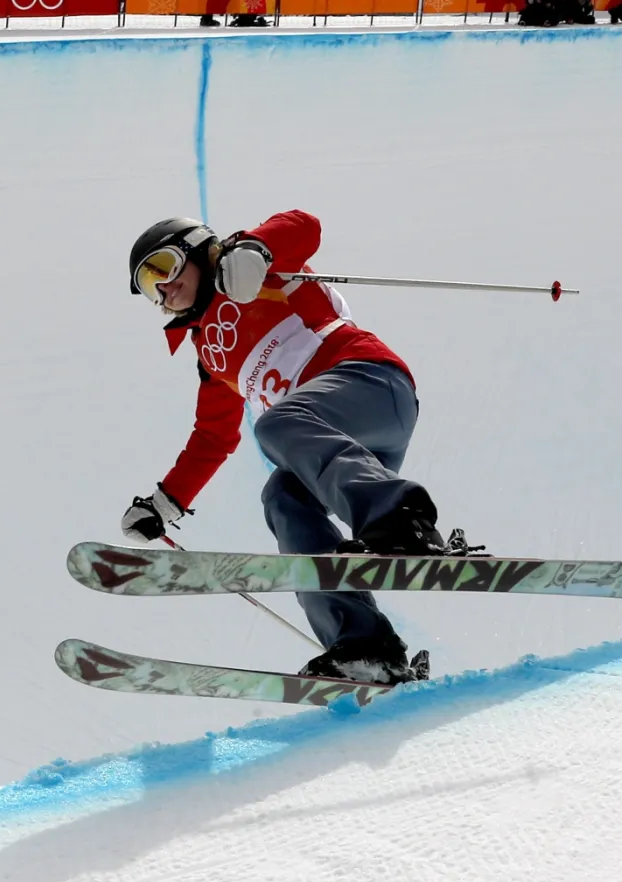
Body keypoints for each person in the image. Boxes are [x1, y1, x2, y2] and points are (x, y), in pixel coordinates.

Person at [118, 211, 461, 685]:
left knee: (278, 423)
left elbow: (305, 225)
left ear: (198, 249)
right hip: (341, 450)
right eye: (149, 285)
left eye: (164, 266)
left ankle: (400, 519)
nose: (163, 289)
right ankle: (364, 646)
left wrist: (253, 249)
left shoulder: (256, 271)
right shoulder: (209, 354)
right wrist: (166, 501)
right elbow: (213, 436)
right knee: (282, 498)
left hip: (371, 386)